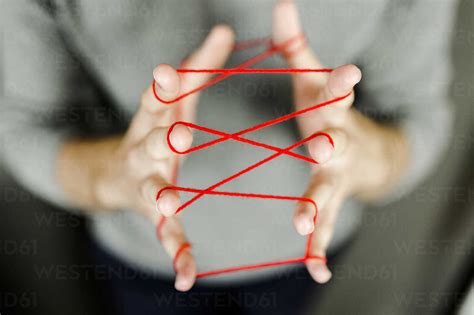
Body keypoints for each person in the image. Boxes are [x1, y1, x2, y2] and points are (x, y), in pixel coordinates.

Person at [2, 0, 456, 314]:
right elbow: (26, 127)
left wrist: (366, 158)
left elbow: (419, 120)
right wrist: (112, 178)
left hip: (303, 259)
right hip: (140, 254)